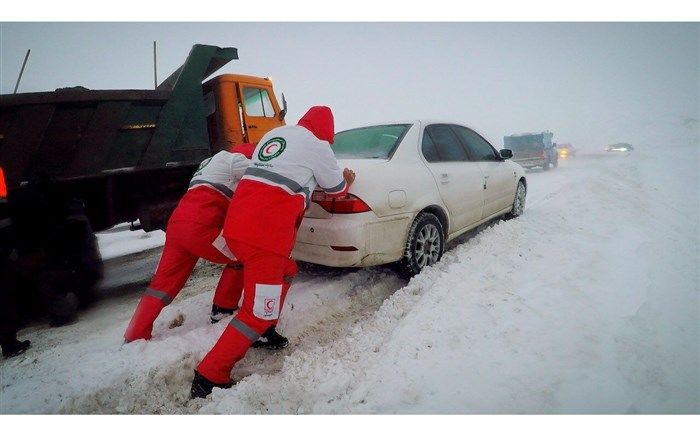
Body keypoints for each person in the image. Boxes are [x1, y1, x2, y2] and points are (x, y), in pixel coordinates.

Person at [190, 106, 356, 398]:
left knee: (287, 271)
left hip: (237, 227)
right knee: (256, 311)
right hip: (265, 236)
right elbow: (336, 189)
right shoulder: (317, 145)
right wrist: (347, 180)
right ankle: (210, 374)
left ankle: (265, 329)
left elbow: (278, 176)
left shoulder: (276, 134)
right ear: (327, 132)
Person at [123, 143, 285, 345]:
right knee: (242, 257)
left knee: (161, 284)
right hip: (201, 227)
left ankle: (135, 333)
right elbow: (262, 179)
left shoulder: (208, 163)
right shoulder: (236, 160)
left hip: (176, 225)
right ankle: (222, 309)